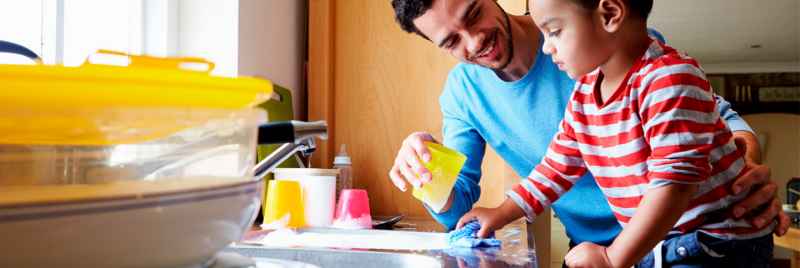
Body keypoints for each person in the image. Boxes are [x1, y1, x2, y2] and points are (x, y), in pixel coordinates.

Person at [388, 0, 788, 255]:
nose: (474, 42)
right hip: (606, 247)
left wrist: (741, 173)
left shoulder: (616, 47)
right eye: (450, 42)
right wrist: (425, 169)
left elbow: (705, 127)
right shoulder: (469, 92)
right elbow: (552, 167)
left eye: (473, 14)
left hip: (695, 237)